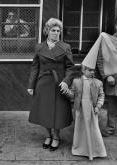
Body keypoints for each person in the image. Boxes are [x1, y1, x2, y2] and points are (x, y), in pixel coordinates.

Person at [27, 18, 74, 151]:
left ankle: (56, 137)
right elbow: (35, 67)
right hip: (43, 83)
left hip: (59, 84)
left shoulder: (65, 47)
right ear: (47, 31)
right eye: (53, 30)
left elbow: (70, 68)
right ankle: (48, 136)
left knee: (57, 113)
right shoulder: (39, 47)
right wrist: (31, 85)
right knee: (44, 111)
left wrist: (66, 81)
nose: (56, 33)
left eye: (58, 31)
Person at [66, 65, 106, 160]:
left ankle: (96, 150)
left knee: (93, 129)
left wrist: (98, 106)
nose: (92, 72)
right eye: (90, 70)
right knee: (80, 129)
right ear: (83, 70)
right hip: (80, 109)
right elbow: (72, 95)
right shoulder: (76, 81)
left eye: (93, 70)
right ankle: (80, 149)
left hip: (92, 109)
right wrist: (67, 92)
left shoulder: (98, 82)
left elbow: (101, 95)